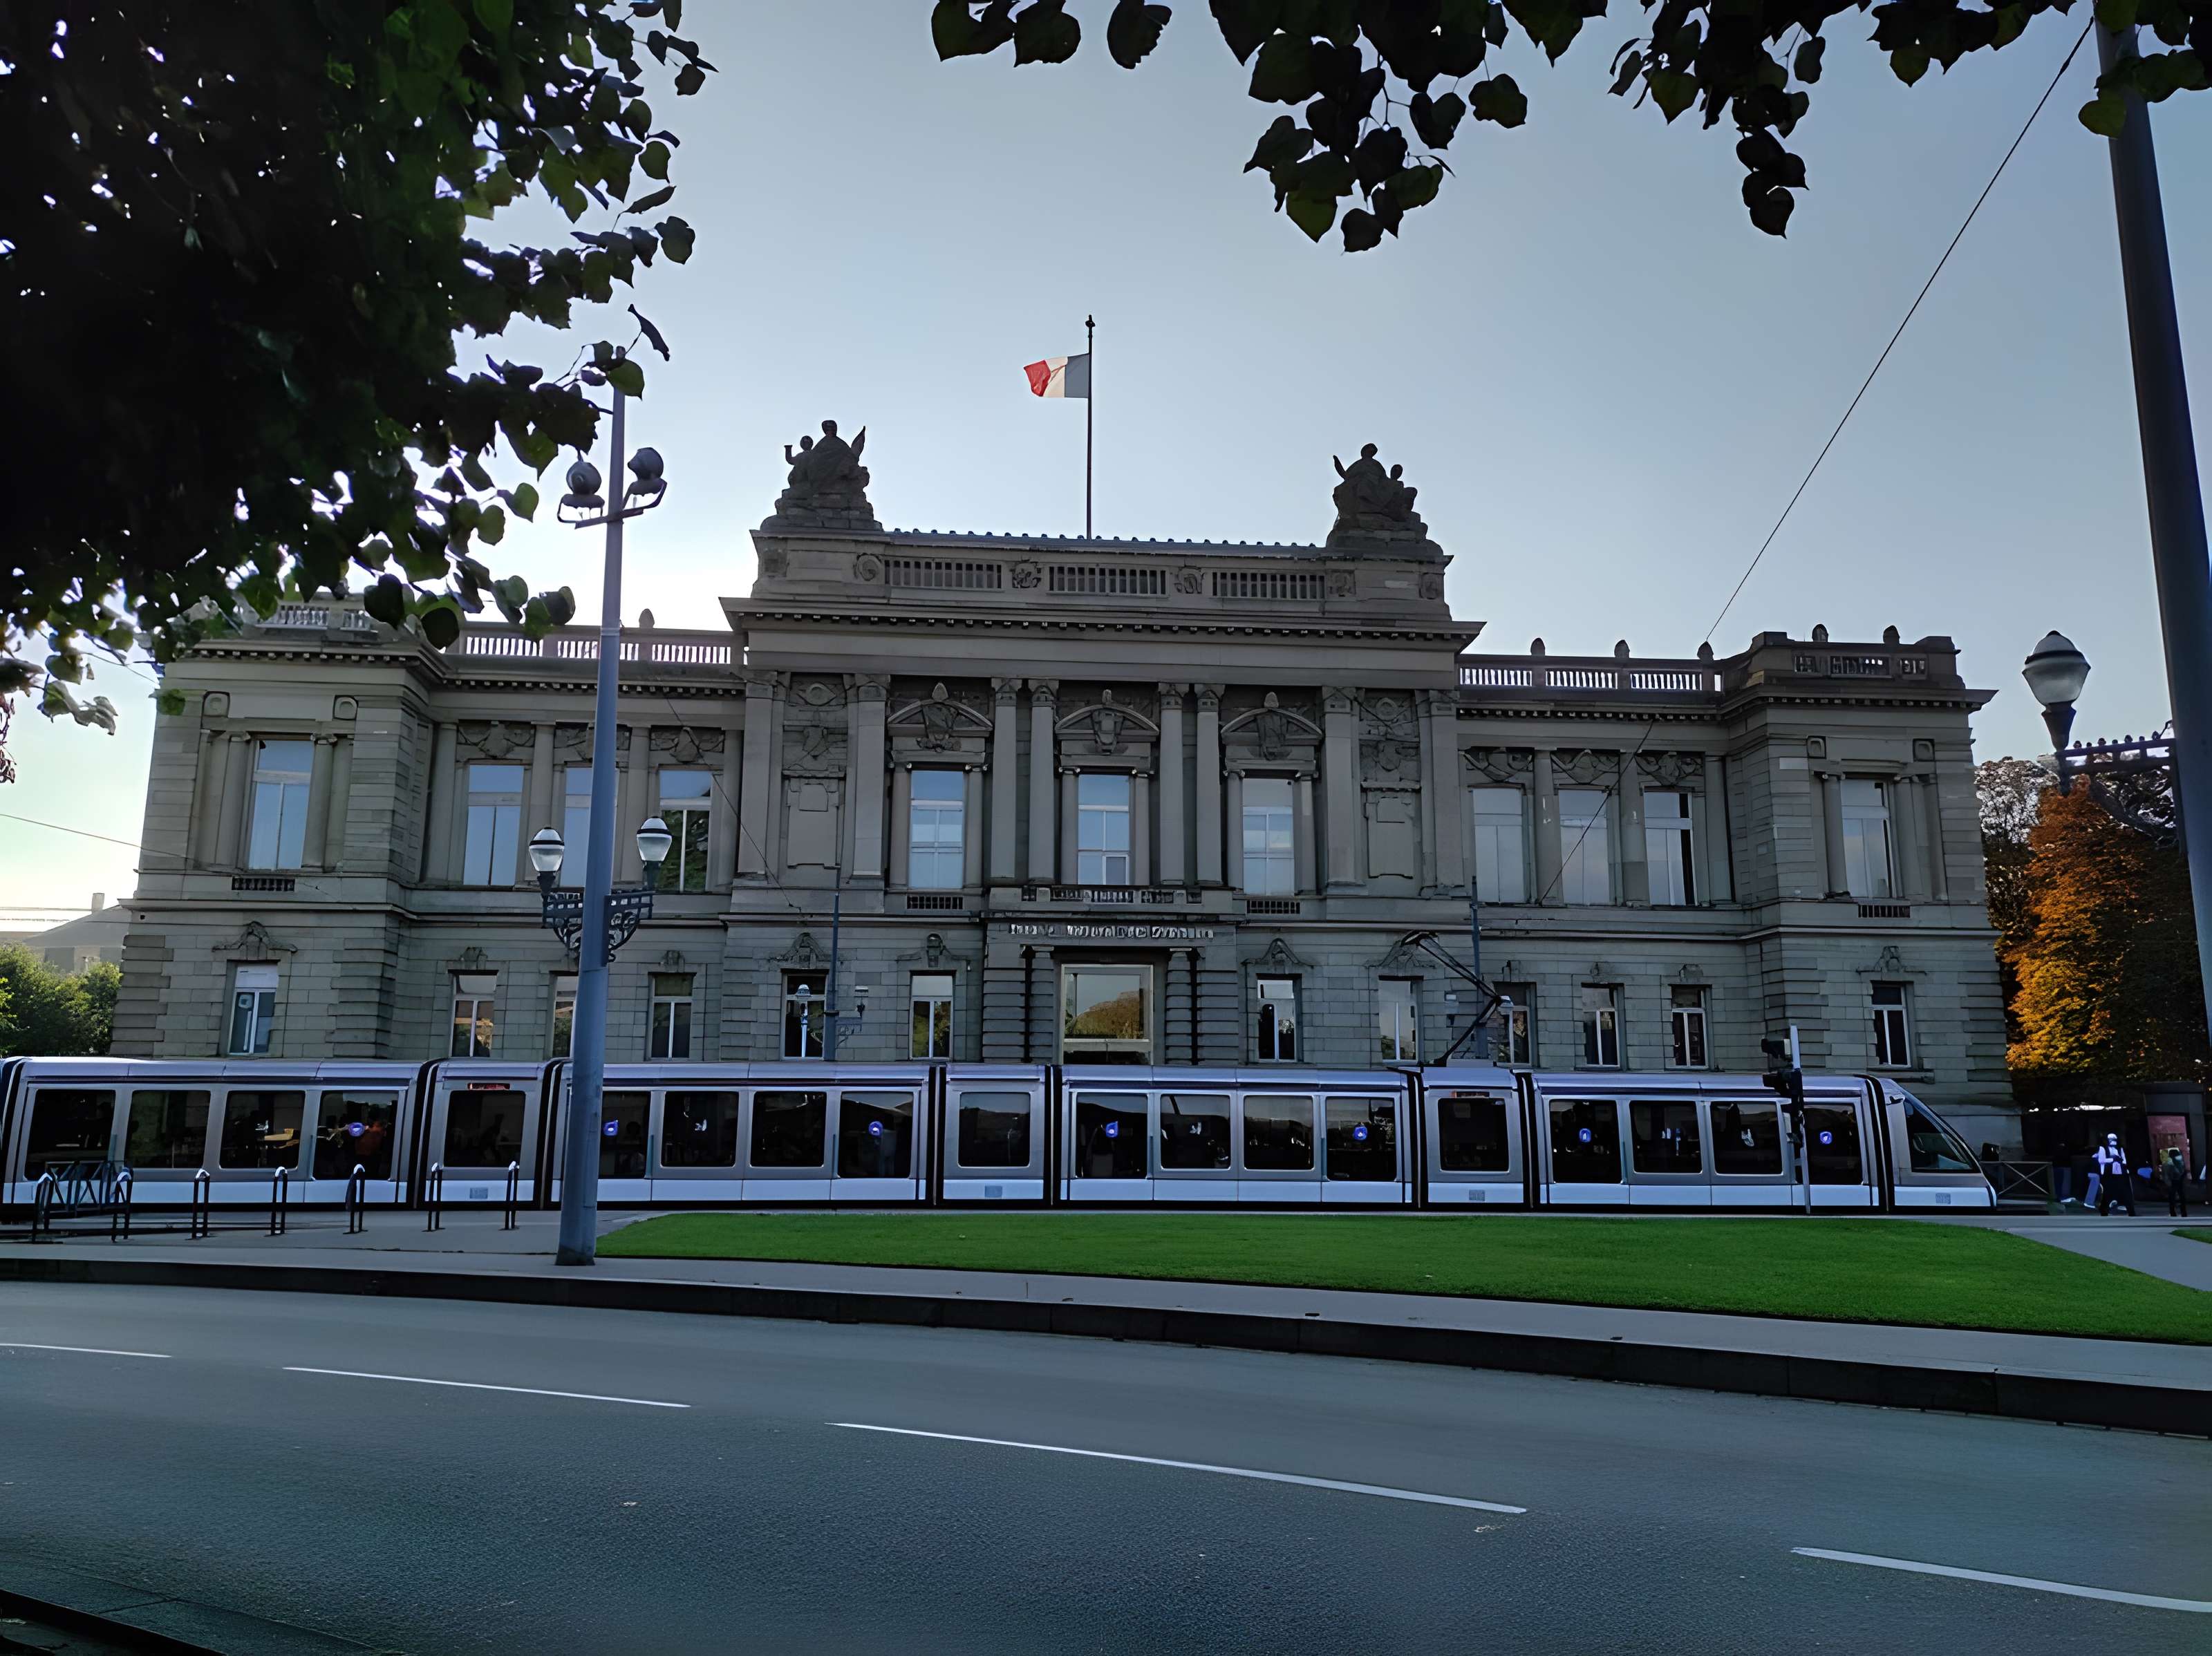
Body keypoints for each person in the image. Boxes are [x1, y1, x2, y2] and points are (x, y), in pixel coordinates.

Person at [2092, 1133, 2136, 1216]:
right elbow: (2101, 1160)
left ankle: (2131, 1211)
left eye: (2114, 1139)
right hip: (2108, 1173)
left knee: (2126, 1192)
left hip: (2120, 1173)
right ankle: (2104, 1210)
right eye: (2111, 1139)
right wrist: (2112, 1159)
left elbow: (2124, 1160)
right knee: (2108, 1193)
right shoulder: (2103, 1148)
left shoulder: (2120, 1149)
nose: (2113, 1141)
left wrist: (2122, 1164)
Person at [2159, 1147, 2191, 1219]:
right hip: (2173, 1182)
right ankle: (2173, 1212)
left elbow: (2184, 1173)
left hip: (2179, 1182)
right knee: (2172, 1198)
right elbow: (2166, 1176)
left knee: (2181, 1198)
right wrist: (2169, 1184)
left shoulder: (2180, 1163)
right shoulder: (2168, 1164)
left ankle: (2183, 1212)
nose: (2179, 1157)